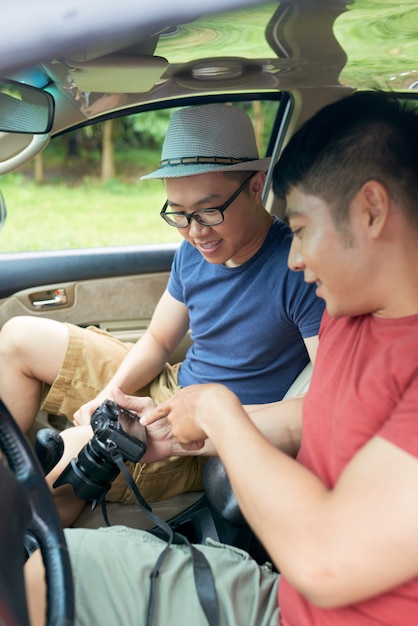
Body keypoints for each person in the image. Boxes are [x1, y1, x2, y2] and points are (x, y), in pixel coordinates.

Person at [25, 90, 418, 626]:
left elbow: (329, 560)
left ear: (371, 210)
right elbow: (309, 413)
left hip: (303, 604)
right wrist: (177, 429)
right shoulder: (352, 314)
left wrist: (215, 411)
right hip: (285, 590)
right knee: (36, 573)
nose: (296, 257)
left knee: (41, 572)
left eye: (301, 229)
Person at [0, 103, 323, 525]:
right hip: (172, 382)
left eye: (209, 210)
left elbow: (325, 400)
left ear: (255, 186)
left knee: (64, 457)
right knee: (17, 336)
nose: (194, 231)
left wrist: (196, 423)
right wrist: (107, 395)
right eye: (178, 213)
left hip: (209, 429)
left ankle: (25, 529)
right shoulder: (193, 251)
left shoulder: (298, 268)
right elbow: (156, 341)